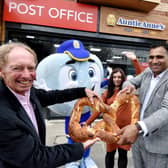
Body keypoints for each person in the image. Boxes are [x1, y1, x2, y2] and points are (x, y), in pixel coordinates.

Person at [0, 42, 100, 168]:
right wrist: (79, 148)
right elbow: (35, 159)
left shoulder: (28, 93)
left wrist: (82, 91)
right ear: (2, 71)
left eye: (30, 68)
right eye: (17, 68)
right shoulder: (4, 115)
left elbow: (52, 96)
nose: (26, 75)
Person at [117, 42, 168, 168]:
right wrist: (129, 87)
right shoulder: (147, 73)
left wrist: (137, 127)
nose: (154, 61)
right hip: (138, 141)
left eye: (159, 57)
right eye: (151, 57)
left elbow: (166, 110)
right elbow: (129, 82)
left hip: (158, 145)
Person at [86, 68, 132, 168]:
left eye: (119, 77)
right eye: (115, 77)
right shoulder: (107, 93)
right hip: (110, 129)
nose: (117, 79)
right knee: (110, 154)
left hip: (124, 129)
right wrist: (87, 122)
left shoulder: (128, 91)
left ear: (123, 79)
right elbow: (98, 110)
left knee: (123, 154)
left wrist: (135, 60)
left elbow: (142, 75)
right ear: (111, 79)